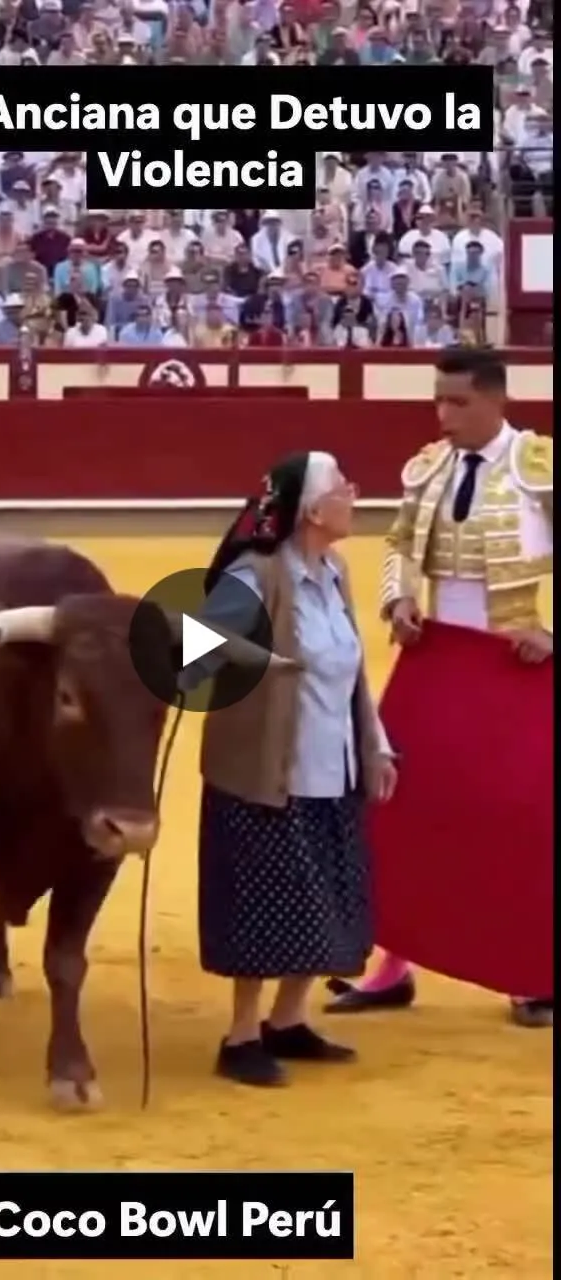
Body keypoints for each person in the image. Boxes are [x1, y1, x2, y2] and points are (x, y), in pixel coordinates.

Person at [325, 350, 553, 1028]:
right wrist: (398, 601)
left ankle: (534, 970)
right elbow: (398, 543)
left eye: (457, 403)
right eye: (439, 402)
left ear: (493, 400)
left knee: (526, 820)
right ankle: (393, 965)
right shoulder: (430, 468)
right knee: (397, 806)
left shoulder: (537, 467)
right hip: (437, 659)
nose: (443, 416)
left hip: (518, 664)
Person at [185, 451, 398, 1088]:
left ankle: (287, 1020)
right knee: (262, 905)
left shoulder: (334, 572)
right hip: (264, 771)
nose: (354, 496)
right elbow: (194, 657)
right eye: (343, 488)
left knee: (328, 899)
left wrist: (377, 746)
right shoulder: (254, 578)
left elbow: (352, 673)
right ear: (310, 509)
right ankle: (241, 1034)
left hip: (332, 768)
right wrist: (250, 657)